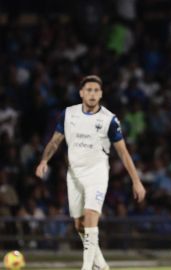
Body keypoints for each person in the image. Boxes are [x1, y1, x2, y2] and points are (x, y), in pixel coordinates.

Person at [35, 75, 146, 270]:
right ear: (81, 93)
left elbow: (123, 152)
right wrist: (44, 160)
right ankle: (101, 265)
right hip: (75, 175)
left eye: (96, 90)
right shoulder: (69, 114)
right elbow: (54, 141)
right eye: (89, 90)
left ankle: (87, 268)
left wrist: (136, 181)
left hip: (97, 173)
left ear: (101, 94)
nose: (92, 93)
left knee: (90, 216)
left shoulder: (109, 120)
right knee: (79, 225)